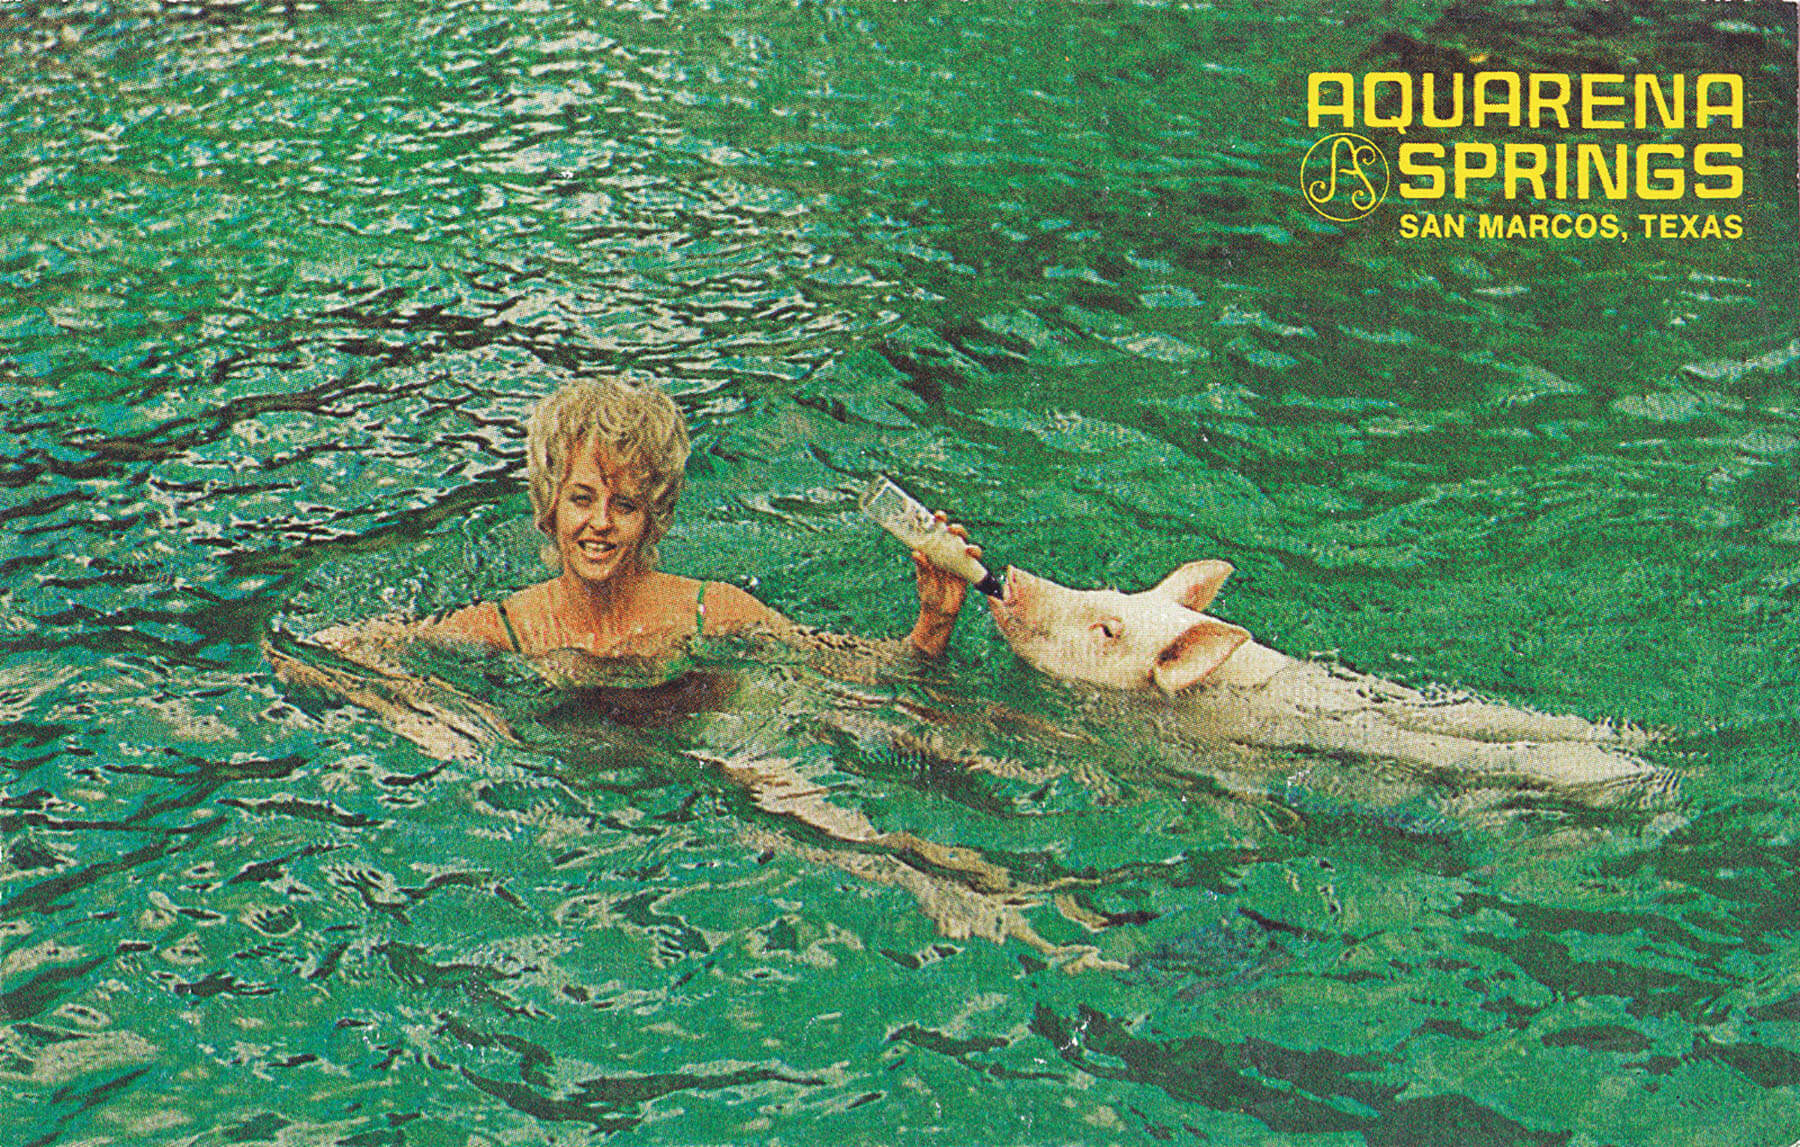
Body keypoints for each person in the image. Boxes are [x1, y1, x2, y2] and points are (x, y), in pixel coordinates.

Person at [427, 375, 977, 668]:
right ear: (550, 506)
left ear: (653, 517)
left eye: (624, 505)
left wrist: (932, 621)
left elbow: (862, 673)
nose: (599, 523)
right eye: (580, 499)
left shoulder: (709, 612)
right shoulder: (504, 629)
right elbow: (357, 654)